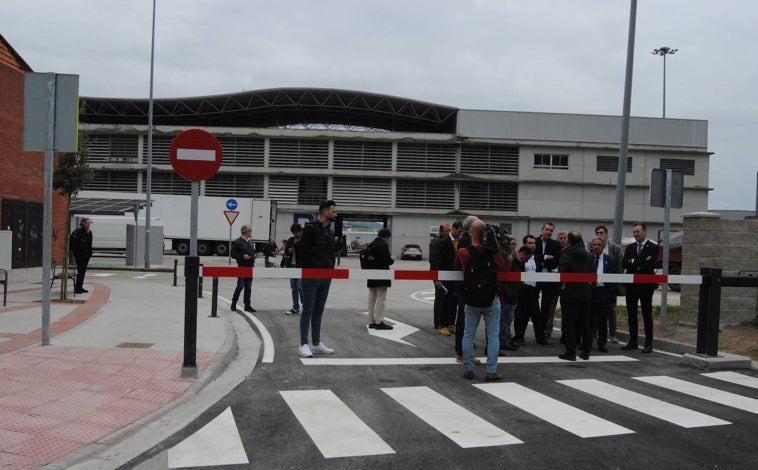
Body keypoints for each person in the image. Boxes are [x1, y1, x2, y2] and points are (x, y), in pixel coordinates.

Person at [457, 219, 509, 381]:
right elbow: (505, 266)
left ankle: (468, 369)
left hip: (471, 299)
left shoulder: (464, 253)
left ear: (470, 233)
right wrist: (494, 243)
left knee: (468, 334)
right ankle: (491, 371)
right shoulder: (492, 252)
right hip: (491, 298)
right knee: (493, 335)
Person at [298, 200, 338, 358]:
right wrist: (309, 271)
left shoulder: (330, 231)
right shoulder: (310, 229)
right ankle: (303, 344)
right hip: (311, 276)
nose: (335, 214)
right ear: (324, 212)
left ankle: (316, 342)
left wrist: (331, 271)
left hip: (326, 277)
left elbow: (331, 253)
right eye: (333, 211)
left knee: (319, 310)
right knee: (307, 309)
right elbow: (303, 253)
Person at [621, 223, 658, 353]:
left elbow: (650, 264)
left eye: (638, 231)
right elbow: (624, 263)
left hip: (646, 286)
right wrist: (637, 263)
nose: (635, 234)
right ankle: (633, 341)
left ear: (645, 232)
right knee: (631, 314)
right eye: (634, 232)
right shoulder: (630, 247)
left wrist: (634, 262)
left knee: (647, 314)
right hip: (631, 286)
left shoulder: (653, 247)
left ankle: (648, 343)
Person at [558, 231, 592, 361]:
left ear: (569, 241)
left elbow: (562, 275)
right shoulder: (588, 256)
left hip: (569, 294)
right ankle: (586, 351)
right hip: (585, 293)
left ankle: (570, 352)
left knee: (569, 323)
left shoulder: (565, 255)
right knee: (585, 323)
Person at [594, 225, 624, 343]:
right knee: (595, 310)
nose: (599, 235)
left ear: (606, 234)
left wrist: (615, 283)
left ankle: (612, 334)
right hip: (596, 285)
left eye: (601, 233)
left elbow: (620, 265)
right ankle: (595, 332)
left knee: (611, 310)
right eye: (597, 233)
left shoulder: (615, 248)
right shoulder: (593, 247)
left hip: (610, 286)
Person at [513, 235, 545, 345]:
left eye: (534, 243)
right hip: (522, 289)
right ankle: (519, 336)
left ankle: (540, 337)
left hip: (534, 290)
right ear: (524, 244)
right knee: (521, 314)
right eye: (530, 243)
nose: (532, 245)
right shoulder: (519, 257)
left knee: (536, 314)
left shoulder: (537, 258)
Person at [589, 236, 618, 352]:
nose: (596, 247)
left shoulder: (610, 260)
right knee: (590, 320)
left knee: (602, 320)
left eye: (598, 245)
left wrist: (610, 294)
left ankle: (602, 344)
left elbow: (614, 278)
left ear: (603, 246)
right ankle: (588, 342)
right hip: (591, 292)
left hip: (604, 293)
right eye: (594, 245)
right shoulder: (589, 259)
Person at [366, 228, 395, 330]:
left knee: (371, 299)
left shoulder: (371, 244)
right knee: (380, 298)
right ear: (386, 236)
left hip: (371, 274)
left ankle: (371, 321)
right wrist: (392, 259)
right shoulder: (383, 244)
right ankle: (379, 322)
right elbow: (387, 261)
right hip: (381, 275)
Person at [535, 223, 561, 341]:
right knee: (532, 306)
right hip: (535, 277)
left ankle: (542, 332)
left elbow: (556, 260)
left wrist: (543, 260)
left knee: (546, 307)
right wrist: (545, 258)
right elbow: (533, 257)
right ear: (542, 230)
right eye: (547, 229)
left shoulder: (556, 244)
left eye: (551, 230)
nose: (549, 232)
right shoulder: (534, 242)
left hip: (549, 278)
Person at [429, 223, 451, 331]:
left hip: (440, 274)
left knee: (441, 298)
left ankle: (439, 321)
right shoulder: (437, 242)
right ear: (441, 231)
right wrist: (438, 277)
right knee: (440, 298)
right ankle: (438, 322)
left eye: (449, 230)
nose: (449, 233)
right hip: (437, 274)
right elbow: (434, 260)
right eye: (447, 231)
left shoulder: (440, 241)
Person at [230, 224, 256, 313]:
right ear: (246, 232)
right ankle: (233, 304)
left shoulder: (250, 242)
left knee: (248, 287)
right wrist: (242, 256)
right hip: (242, 267)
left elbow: (252, 252)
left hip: (250, 267)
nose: (251, 232)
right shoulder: (237, 242)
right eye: (250, 231)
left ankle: (247, 305)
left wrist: (254, 255)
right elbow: (232, 254)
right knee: (240, 286)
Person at [283, 224, 303, 315]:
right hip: (291, 266)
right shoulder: (291, 240)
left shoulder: (304, 239)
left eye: (297, 232)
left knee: (300, 287)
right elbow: (286, 251)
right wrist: (289, 251)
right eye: (294, 233)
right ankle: (295, 307)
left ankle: (305, 304)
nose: (296, 234)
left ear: (300, 231)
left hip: (301, 266)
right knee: (294, 288)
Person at [69, 217, 93, 294]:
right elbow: (73, 244)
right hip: (80, 256)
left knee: (82, 272)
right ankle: (78, 288)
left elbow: (89, 244)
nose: (89, 225)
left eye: (90, 223)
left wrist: (89, 254)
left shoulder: (89, 232)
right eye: (88, 223)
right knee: (81, 271)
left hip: (86, 256)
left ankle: (80, 287)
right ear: (83, 224)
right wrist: (78, 253)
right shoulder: (77, 232)